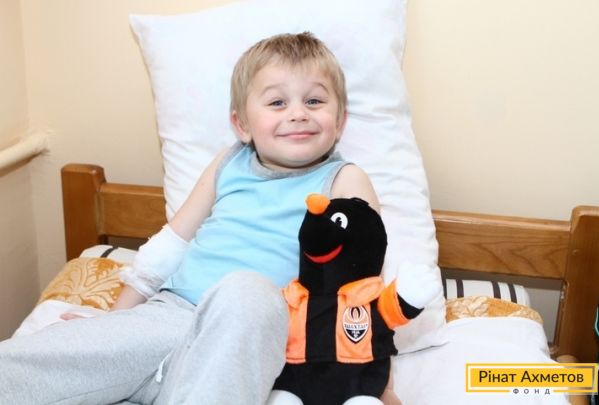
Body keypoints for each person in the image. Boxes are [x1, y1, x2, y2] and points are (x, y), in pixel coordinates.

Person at [0, 32, 395, 404]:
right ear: (242, 125)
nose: (297, 114)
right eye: (277, 103)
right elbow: (171, 243)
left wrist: (378, 384)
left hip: (248, 338)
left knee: (249, 292)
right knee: (34, 360)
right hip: (169, 314)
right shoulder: (228, 163)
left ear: (340, 121)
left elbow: (360, 290)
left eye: (314, 101)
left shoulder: (345, 181)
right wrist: (114, 322)